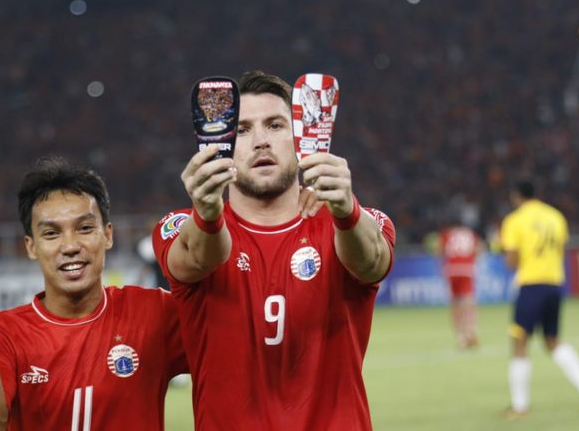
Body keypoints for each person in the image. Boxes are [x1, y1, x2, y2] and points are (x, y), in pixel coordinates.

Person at [152, 70, 396, 430]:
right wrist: (206, 213)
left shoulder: (352, 224)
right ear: (219, 145)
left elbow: (372, 262)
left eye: (276, 125)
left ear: (302, 139)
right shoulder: (182, 226)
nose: (261, 141)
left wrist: (346, 211)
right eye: (243, 130)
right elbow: (198, 258)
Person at [0, 157, 187, 431]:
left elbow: (234, 355)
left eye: (84, 228)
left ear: (107, 235)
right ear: (31, 246)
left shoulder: (155, 312)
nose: (70, 246)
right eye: (51, 233)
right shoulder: (5, 333)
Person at [500, 179, 579, 419]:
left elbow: (512, 261)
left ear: (516, 196)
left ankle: (520, 406)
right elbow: (560, 249)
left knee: (519, 343)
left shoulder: (514, 220)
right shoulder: (556, 216)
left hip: (531, 285)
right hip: (555, 284)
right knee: (553, 340)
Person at [437, 221, 482, 349]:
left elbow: (440, 251)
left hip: (452, 269)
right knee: (468, 301)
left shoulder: (447, 234)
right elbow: (478, 249)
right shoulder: (470, 234)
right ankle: (471, 331)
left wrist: (443, 265)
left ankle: (460, 337)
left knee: (455, 303)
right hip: (467, 268)